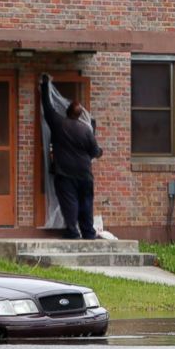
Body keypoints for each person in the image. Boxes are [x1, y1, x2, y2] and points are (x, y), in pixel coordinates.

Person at [40, 73, 103, 239]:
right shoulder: (86, 131)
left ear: (66, 111)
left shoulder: (59, 124)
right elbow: (95, 151)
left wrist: (45, 85)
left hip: (66, 173)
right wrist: (99, 152)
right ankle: (88, 232)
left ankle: (73, 232)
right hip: (84, 174)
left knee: (70, 202)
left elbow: (47, 108)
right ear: (81, 115)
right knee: (86, 203)